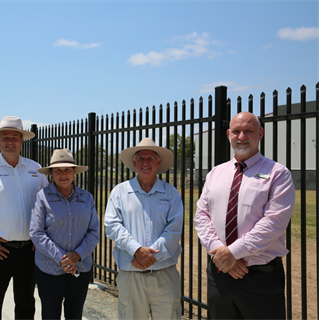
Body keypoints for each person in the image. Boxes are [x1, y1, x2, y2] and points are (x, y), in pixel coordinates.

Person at [194, 111, 295, 320]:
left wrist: (233, 253)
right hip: (220, 274)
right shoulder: (215, 173)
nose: (242, 136)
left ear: (260, 134)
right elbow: (201, 216)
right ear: (229, 134)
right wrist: (222, 255)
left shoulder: (278, 173)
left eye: (248, 131)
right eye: (237, 131)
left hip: (260, 279)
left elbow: (274, 222)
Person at [0, 115, 49, 320]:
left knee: (25, 305)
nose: (10, 142)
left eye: (15, 137)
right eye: (6, 137)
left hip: (28, 252)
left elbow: (48, 207)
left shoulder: (35, 170)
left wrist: (41, 239)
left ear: (22, 140)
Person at [105, 137, 183, 320]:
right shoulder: (120, 192)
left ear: (158, 162)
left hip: (164, 275)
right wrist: (137, 250)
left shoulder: (171, 193)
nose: (145, 163)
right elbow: (112, 225)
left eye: (150, 158)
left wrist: (149, 257)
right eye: (141, 158)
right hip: (131, 276)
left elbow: (173, 230)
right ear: (134, 162)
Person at [30, 148, 99, 320]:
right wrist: (63, 259)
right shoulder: (42, 197)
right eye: (58, 170)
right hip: (49, 269)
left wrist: (76, 255)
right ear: (51, 173)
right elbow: (37, 233)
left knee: (74, 315)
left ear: (74, 171)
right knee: (50, 314)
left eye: (67, 169)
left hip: (80, 268)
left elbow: (94, 232)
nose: (63, 174)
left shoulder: (87, 198)